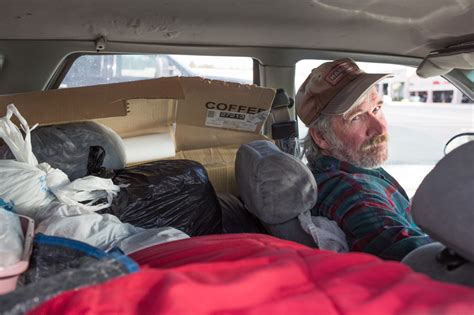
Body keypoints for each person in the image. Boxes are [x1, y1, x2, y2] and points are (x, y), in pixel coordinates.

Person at [295, 58, 431, 261]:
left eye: (376, 108)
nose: (380, 128)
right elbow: (412, 254)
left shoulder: (352, 170)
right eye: (356, 117)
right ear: (322, 137)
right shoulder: (352, 189)